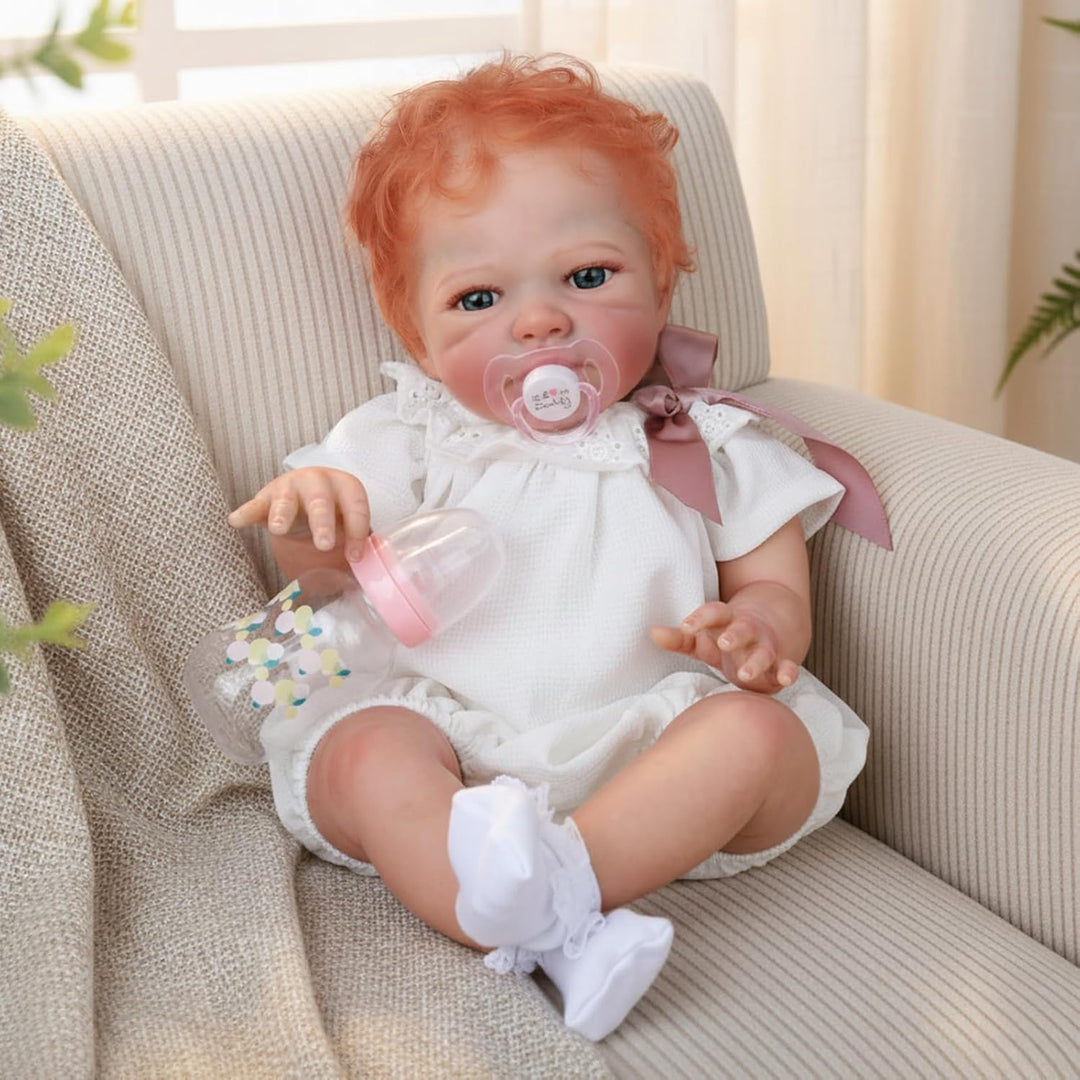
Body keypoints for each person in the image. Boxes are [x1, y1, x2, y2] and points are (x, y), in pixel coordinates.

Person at [228, 54, 886, 1042]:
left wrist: (755, 629)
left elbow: (777, 593)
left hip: (655, 754)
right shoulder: (413, 435)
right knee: (366, 750)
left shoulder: (705, 443)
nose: (539, 321)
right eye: (478, 299)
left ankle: (545, 891)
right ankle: (549, 916)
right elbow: (328, 585)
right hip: (457, 758)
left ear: (662, 283)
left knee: (759, 737)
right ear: (416, 335)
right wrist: (307, 512)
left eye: (587, 277)